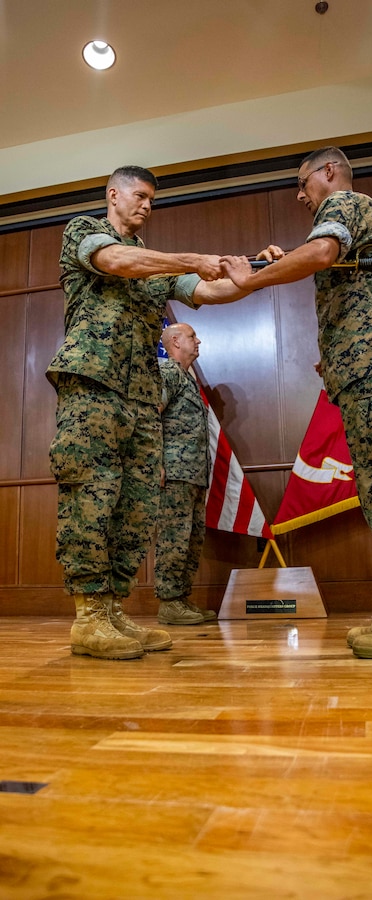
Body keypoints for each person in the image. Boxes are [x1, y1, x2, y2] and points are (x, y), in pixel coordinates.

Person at [220, 146, 372, 660]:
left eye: (303, 184)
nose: (301, 196)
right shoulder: (345, 221)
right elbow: (343, 276)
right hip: (366, 371)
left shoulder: (345, 203)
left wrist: (253, 279)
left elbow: (322, 254)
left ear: (329, 173)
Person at [47, 165, 247, 660]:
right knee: (91, 496)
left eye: (152, 200)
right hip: (92, 383)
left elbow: (209, 290)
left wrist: (252, 275)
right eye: (139, 196)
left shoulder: (155, 266)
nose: (146, 206)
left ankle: (113, 610)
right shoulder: (85, 232)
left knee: (135, 507)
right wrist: (192, 259)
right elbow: (118, 261)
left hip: (141, 395)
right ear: (113, 194)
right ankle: (89, 615)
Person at [154, 323, 216, 626]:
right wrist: (157, 463)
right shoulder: (167, 373)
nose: (198, 340)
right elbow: (153, 414)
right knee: (174, 539)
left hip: (193, 474)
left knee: (191, 540)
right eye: (193, 336)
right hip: (175, 473)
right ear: (175, 341)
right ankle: (169, 602)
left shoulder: (187, 380)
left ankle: (181, 600)